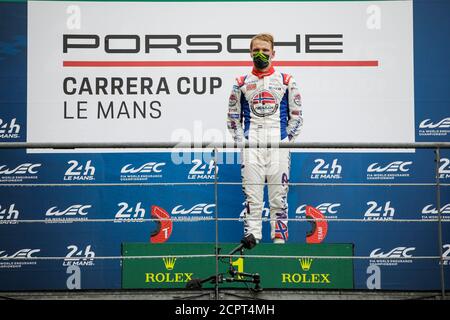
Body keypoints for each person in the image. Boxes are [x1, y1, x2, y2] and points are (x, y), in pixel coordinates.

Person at [227, 33, 303, 244]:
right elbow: (233, 118)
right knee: (253, 198)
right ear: (250, 53)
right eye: (256, 51)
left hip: (278, 143)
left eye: (265, 51)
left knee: (279, 197)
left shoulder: (287, 81)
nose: (260, 54)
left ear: (273, 53)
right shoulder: (240, 82)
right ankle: (253, 240)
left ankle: (279, 243)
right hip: (252, 144)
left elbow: (297, 116)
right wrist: (242, 142)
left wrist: (286, 139)